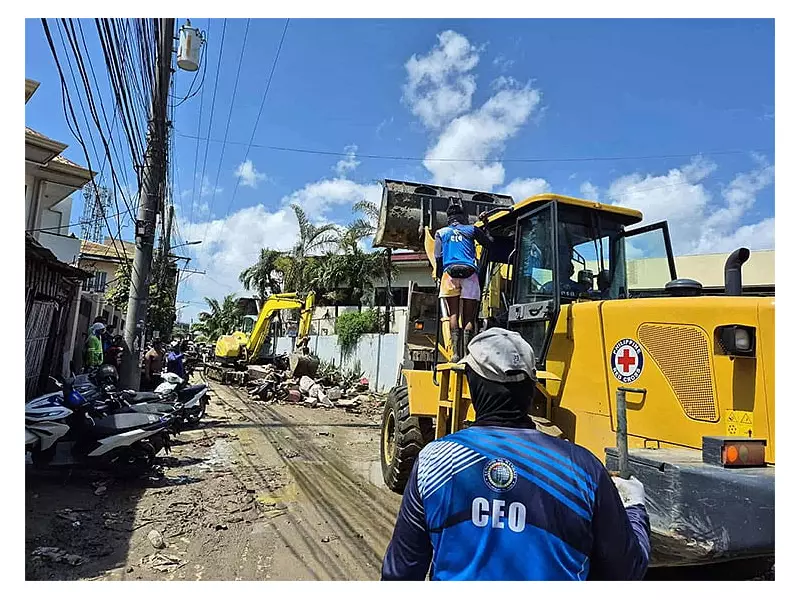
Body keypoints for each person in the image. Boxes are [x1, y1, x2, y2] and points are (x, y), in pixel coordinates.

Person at [381, 328, 650, 581]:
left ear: (472, 388)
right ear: (532, 388)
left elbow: (399, 575)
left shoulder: (434, 461)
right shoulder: (583, 469)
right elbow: (626, 569)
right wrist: (633, 508)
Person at [434, 202, 493, 361]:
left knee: (453, 313)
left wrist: (440, 275)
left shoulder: (441, 233)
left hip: (449, 275)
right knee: (468, 317)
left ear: (448, 218)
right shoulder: (472, 229)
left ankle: (455, 354)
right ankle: (467, 354)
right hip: (470, 275)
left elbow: (438, 257)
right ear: (463, 217)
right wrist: (485, 226)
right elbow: (489, 243)